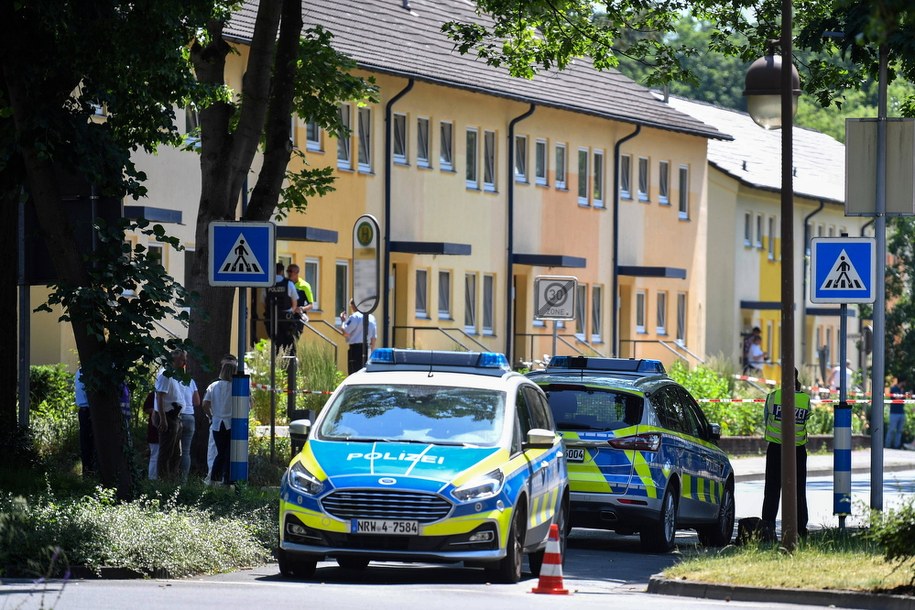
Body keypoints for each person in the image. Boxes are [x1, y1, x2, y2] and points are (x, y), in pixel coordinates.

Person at [761, 368, 812, 537]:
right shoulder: (805, 399)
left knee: (772, 490)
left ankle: (768, 528)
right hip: (798, 449)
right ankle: (800, 529)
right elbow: (806, 418)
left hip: (775, 448)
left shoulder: (773, 396)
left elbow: (766, 417)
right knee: (799, 490)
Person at [203, 356, 238, 485]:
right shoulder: (236, 386)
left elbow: (205, 404)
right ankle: (227, 480)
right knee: (230, 453)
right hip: (231, 423)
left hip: (217, 423)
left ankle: (214, 479)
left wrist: (211, 416)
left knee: (220, 453)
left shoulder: (213, 386)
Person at [155, 349, 188, 480]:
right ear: (174, 359)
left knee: (176, 453)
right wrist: (163, 419)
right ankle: (162, 481)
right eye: (182, 359)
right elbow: (160, 396)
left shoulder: (175, 375)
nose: (184, 362)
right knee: (166, 452)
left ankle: (172, 479)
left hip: (176, 416)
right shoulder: (165, 374)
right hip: (168, 416)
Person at [265, 262, 301, 353]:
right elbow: (294, 302)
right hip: (286, 319)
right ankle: (288, 363)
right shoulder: (288, 283)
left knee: (275, 342)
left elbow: (264, 302)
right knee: (288, 343)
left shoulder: (267, 284)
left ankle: (276, 360)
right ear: (282, 271)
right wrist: (290, 313)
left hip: (271, 318)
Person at [341, 298, 377, 375]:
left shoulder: (355, 317)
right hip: (367, 349)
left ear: (354, 306)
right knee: (365, 373)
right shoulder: (371, 317)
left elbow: (346, 332)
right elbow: (373, 339)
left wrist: (343, 321)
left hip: (355, 349)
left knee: (354, 373)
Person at [179, 360, 201, 482]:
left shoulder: (172, 379)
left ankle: (169, 478)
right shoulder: (191, 382)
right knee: (186, 451)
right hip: (189, 416)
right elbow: (197, 401)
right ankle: (184, 480)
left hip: (177, 416)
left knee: (173, 449)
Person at [74, 367, 95, 477]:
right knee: (85, 443)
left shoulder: (89, 372)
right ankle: (87, 471)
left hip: (91, 410)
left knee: (91, 442)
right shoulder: (80, 372)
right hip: (84, 410)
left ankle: (92, 471)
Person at [286, 263, 313, 338]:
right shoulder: (285, 283)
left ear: (296, 272)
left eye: (290, 271)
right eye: (287, 271)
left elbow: (311, 305)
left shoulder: (305, 285)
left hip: (298, 317)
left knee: (294, 339)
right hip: (286, 316)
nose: (288, 273)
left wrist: (301, 308)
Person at [886, 377, 906, 450]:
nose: (905, 384)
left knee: (899, 431)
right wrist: (901, 394)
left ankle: (897, 445)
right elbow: (897, 398)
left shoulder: (903, 390)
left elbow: (904, 400)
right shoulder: (894, 389)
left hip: (901, 412)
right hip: (894, 413)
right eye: (904, 382)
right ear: (902, 382)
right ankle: (887, 445)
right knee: (891, 429)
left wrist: (902, 393)